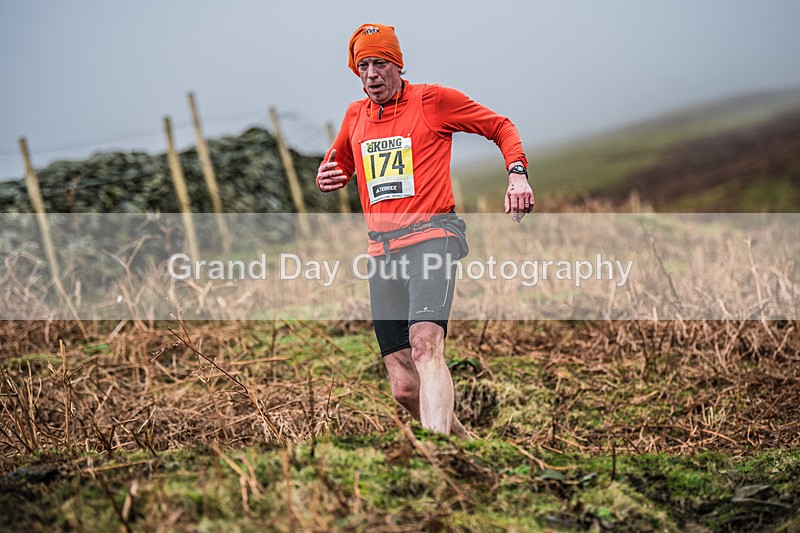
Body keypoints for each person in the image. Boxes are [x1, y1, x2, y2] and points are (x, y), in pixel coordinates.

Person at [317, 23, 534, 438]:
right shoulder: (354, 115)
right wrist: (329, 176)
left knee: (425, 345)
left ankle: (439, 453)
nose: (371, 74)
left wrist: (517, 175)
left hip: (432, 237)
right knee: (402, 386)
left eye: (380, 63)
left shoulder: (432, 101)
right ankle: (464, 444)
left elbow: (500, 126)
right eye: (362, 65)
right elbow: (339, 164)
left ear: (398, 64)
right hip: (381, 252)